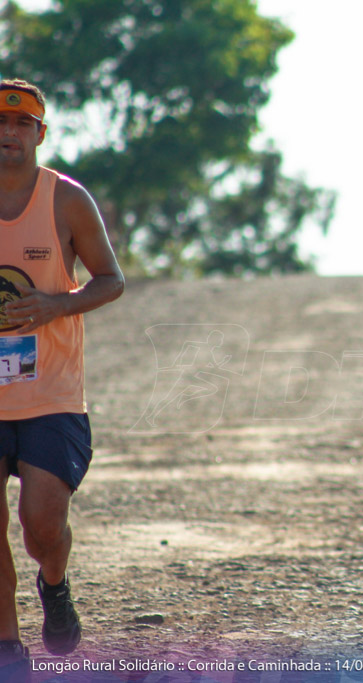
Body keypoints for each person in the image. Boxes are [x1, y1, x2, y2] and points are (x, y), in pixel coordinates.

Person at [0, 78, 125, 671]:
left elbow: (111, 279)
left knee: (40, 525)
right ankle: (6, 642)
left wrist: (57, 305)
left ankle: (53, 583)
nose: (8, 134)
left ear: (40, 134)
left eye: (21, 124)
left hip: (49, 393)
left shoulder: (67, 200)